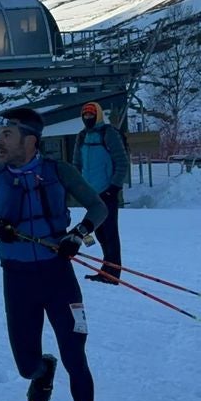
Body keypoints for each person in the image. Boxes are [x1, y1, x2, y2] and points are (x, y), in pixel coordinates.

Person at [0, 107, 109, 401]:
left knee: (76, 356)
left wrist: (77, 236)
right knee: (25, 364)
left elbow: (98, 208)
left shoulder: (59, 172)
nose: (0, 142)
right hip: (17, 281)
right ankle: (42, 370)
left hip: (58, 276)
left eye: (7, 135)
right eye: (0, 135)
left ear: (30, 140)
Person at [72, 102, 129, 283]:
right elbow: (76, 164)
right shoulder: (81, 136)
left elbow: (121, 161)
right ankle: (107, 269)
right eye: (85, 115)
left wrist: (115, 186)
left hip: (107, 191)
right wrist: (77, 186)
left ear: (97, 115)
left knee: (110, 232)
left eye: (91, 115)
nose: (87, 118)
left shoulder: (108, 133)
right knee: (99, 232)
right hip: (90, 194)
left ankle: (112, 273)